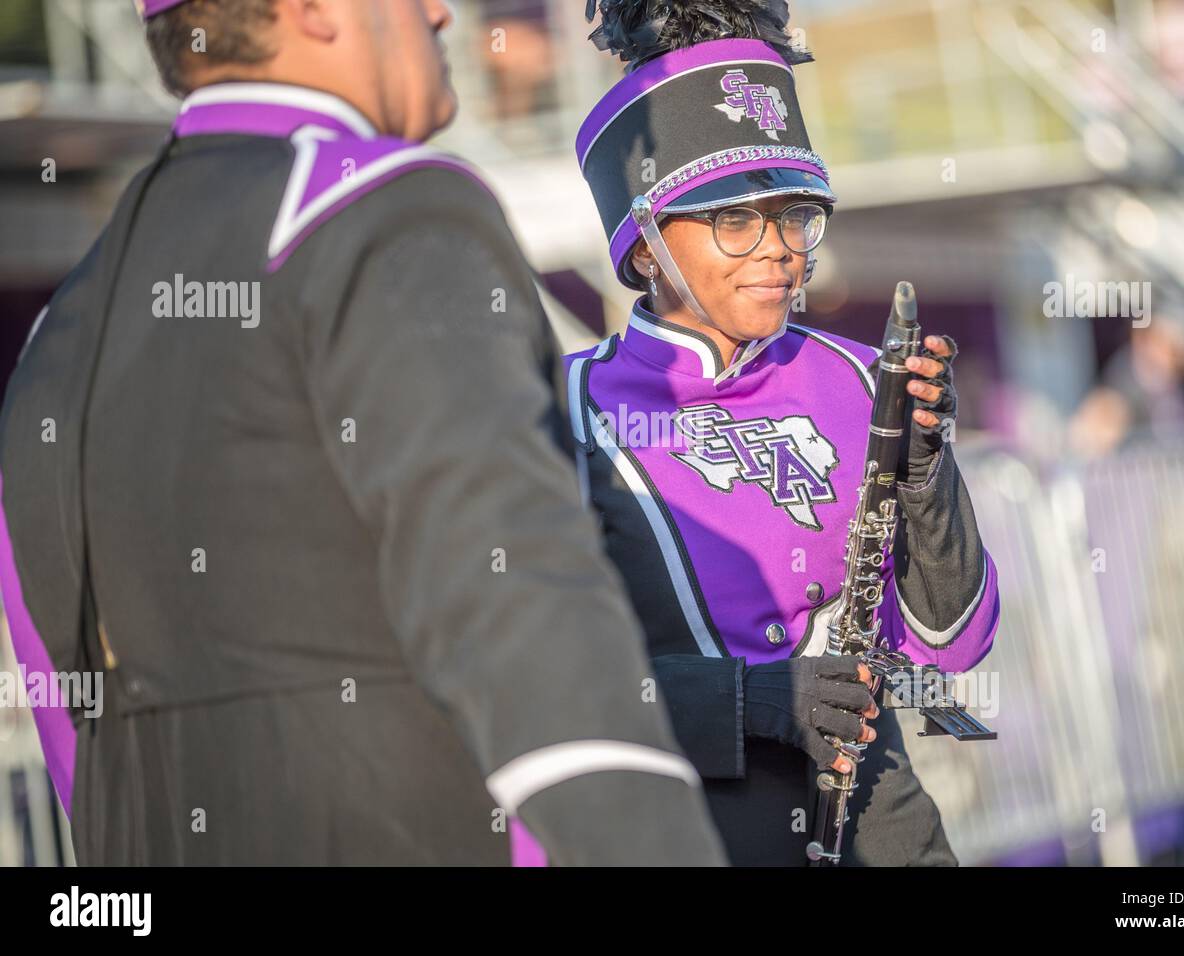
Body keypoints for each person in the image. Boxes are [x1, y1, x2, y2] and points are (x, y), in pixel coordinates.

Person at [0, 0, 727, 866]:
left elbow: (65, 715)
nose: (440, 13)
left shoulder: (63, 325)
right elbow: (519, 603)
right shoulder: (381, 208)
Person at [567, 0, 1000, 865]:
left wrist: (924, 472)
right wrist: (750, 699)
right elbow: (553, 686)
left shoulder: (853, 373)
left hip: (884, 823)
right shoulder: (569, 407)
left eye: (796, 215)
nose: (781, 252)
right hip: (697, 830)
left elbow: (954, 641)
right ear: (645, 245)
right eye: (735, 219)